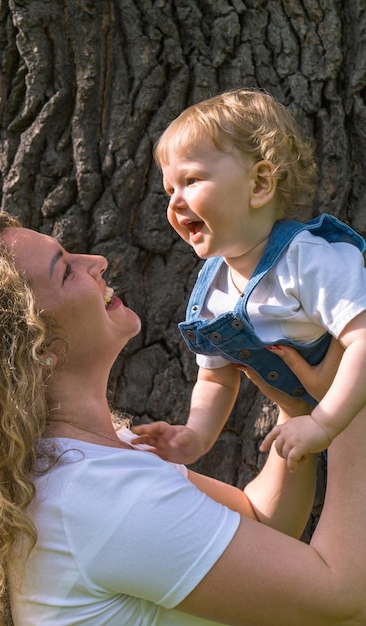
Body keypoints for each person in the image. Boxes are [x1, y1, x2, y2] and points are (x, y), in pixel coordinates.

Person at [0, 208, 366, 626]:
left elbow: (261, 522)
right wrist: (349, 402)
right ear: (36, 350)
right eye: (65, 271)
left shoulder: (91, 460)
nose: (96, 262)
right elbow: (342, 599)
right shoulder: (96, 496)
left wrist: (296, 409)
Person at [133, 87, 366, 472]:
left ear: (259, 185)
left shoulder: (308, 260)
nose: (174, 201)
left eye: (191, 180)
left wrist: (325, 422)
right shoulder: (212, 294)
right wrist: (194, 437)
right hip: (315, 425)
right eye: (169, 189)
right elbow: (216, 380)